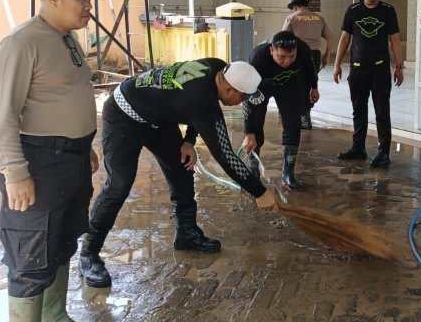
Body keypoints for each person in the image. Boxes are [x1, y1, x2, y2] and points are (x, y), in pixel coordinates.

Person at [0, 0, 106, 322]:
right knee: (30, 253)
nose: (88, 7)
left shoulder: (66, 39)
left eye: (89, 0)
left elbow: (66, 98)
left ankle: (54, 317)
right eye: (81, 0)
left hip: (69, 161)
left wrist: (83, 147)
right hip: (35, 163)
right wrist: (14, 172)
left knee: (61, 242)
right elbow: (0, 115)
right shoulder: (21, 44)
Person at [79, 59, 278, 289]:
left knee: (182, 170)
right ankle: (89, 253)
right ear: (228, 88)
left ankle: (187, 233)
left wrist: (188, 141)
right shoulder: (201, 101)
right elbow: (225, 155)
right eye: (241, 98)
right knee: (119, 185)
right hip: (124, 115)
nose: (240, 102)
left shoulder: (218, 68)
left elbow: (198, 104)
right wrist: (259, 192)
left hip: (160, 118)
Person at [333, 0, 403, 168]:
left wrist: (399, 66)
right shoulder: (353, 10)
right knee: (358, 109)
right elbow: (345, 38)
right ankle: (358, 148)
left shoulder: (388, 11)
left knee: (382, 111)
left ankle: (384, 152)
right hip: (357, 70)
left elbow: (395, 40)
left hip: (380, 70)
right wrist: (337, 64)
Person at [241, 31, 319, 189]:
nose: (287, 62)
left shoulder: (302, 49)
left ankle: (288, 173)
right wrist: (249, 131)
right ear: (271, 50)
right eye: (282, 57)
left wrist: (314, 87)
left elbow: (310, 69)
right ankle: (253, 169)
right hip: (261, 86)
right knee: (256, 122)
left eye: (291, 57)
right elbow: (249, 97)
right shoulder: (258, 58)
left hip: (289, 85)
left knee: (293, 123)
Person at [283, 0, 334, 130]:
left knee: (297, 84)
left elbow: (282, 38)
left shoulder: (292, 18)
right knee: (310, 84)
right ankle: (306, 116)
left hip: (298, 54)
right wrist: (327, 55)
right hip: (315, 55)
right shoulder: (319, 18)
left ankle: (300, 116)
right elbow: (330, 37)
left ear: (295, 6)